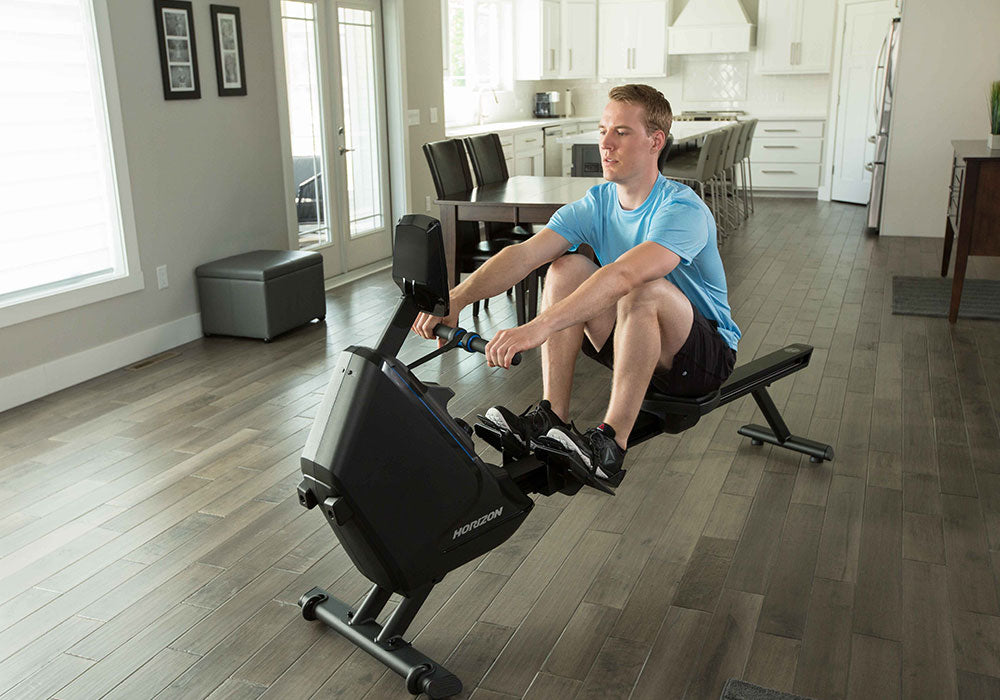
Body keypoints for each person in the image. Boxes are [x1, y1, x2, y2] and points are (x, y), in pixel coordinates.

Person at [413, 84, 740, 486]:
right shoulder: (598, 202)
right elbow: (525, 254)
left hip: (700, 360)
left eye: (621, 132)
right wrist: (457, 298)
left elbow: (624, 275)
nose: (605, 143)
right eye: (603, 130)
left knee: (643, 289)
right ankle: (553, 416)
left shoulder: (680, 208)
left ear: (655, 141)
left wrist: (536, 327)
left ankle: (610, 447)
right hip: (633, 343)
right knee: (565, 268)